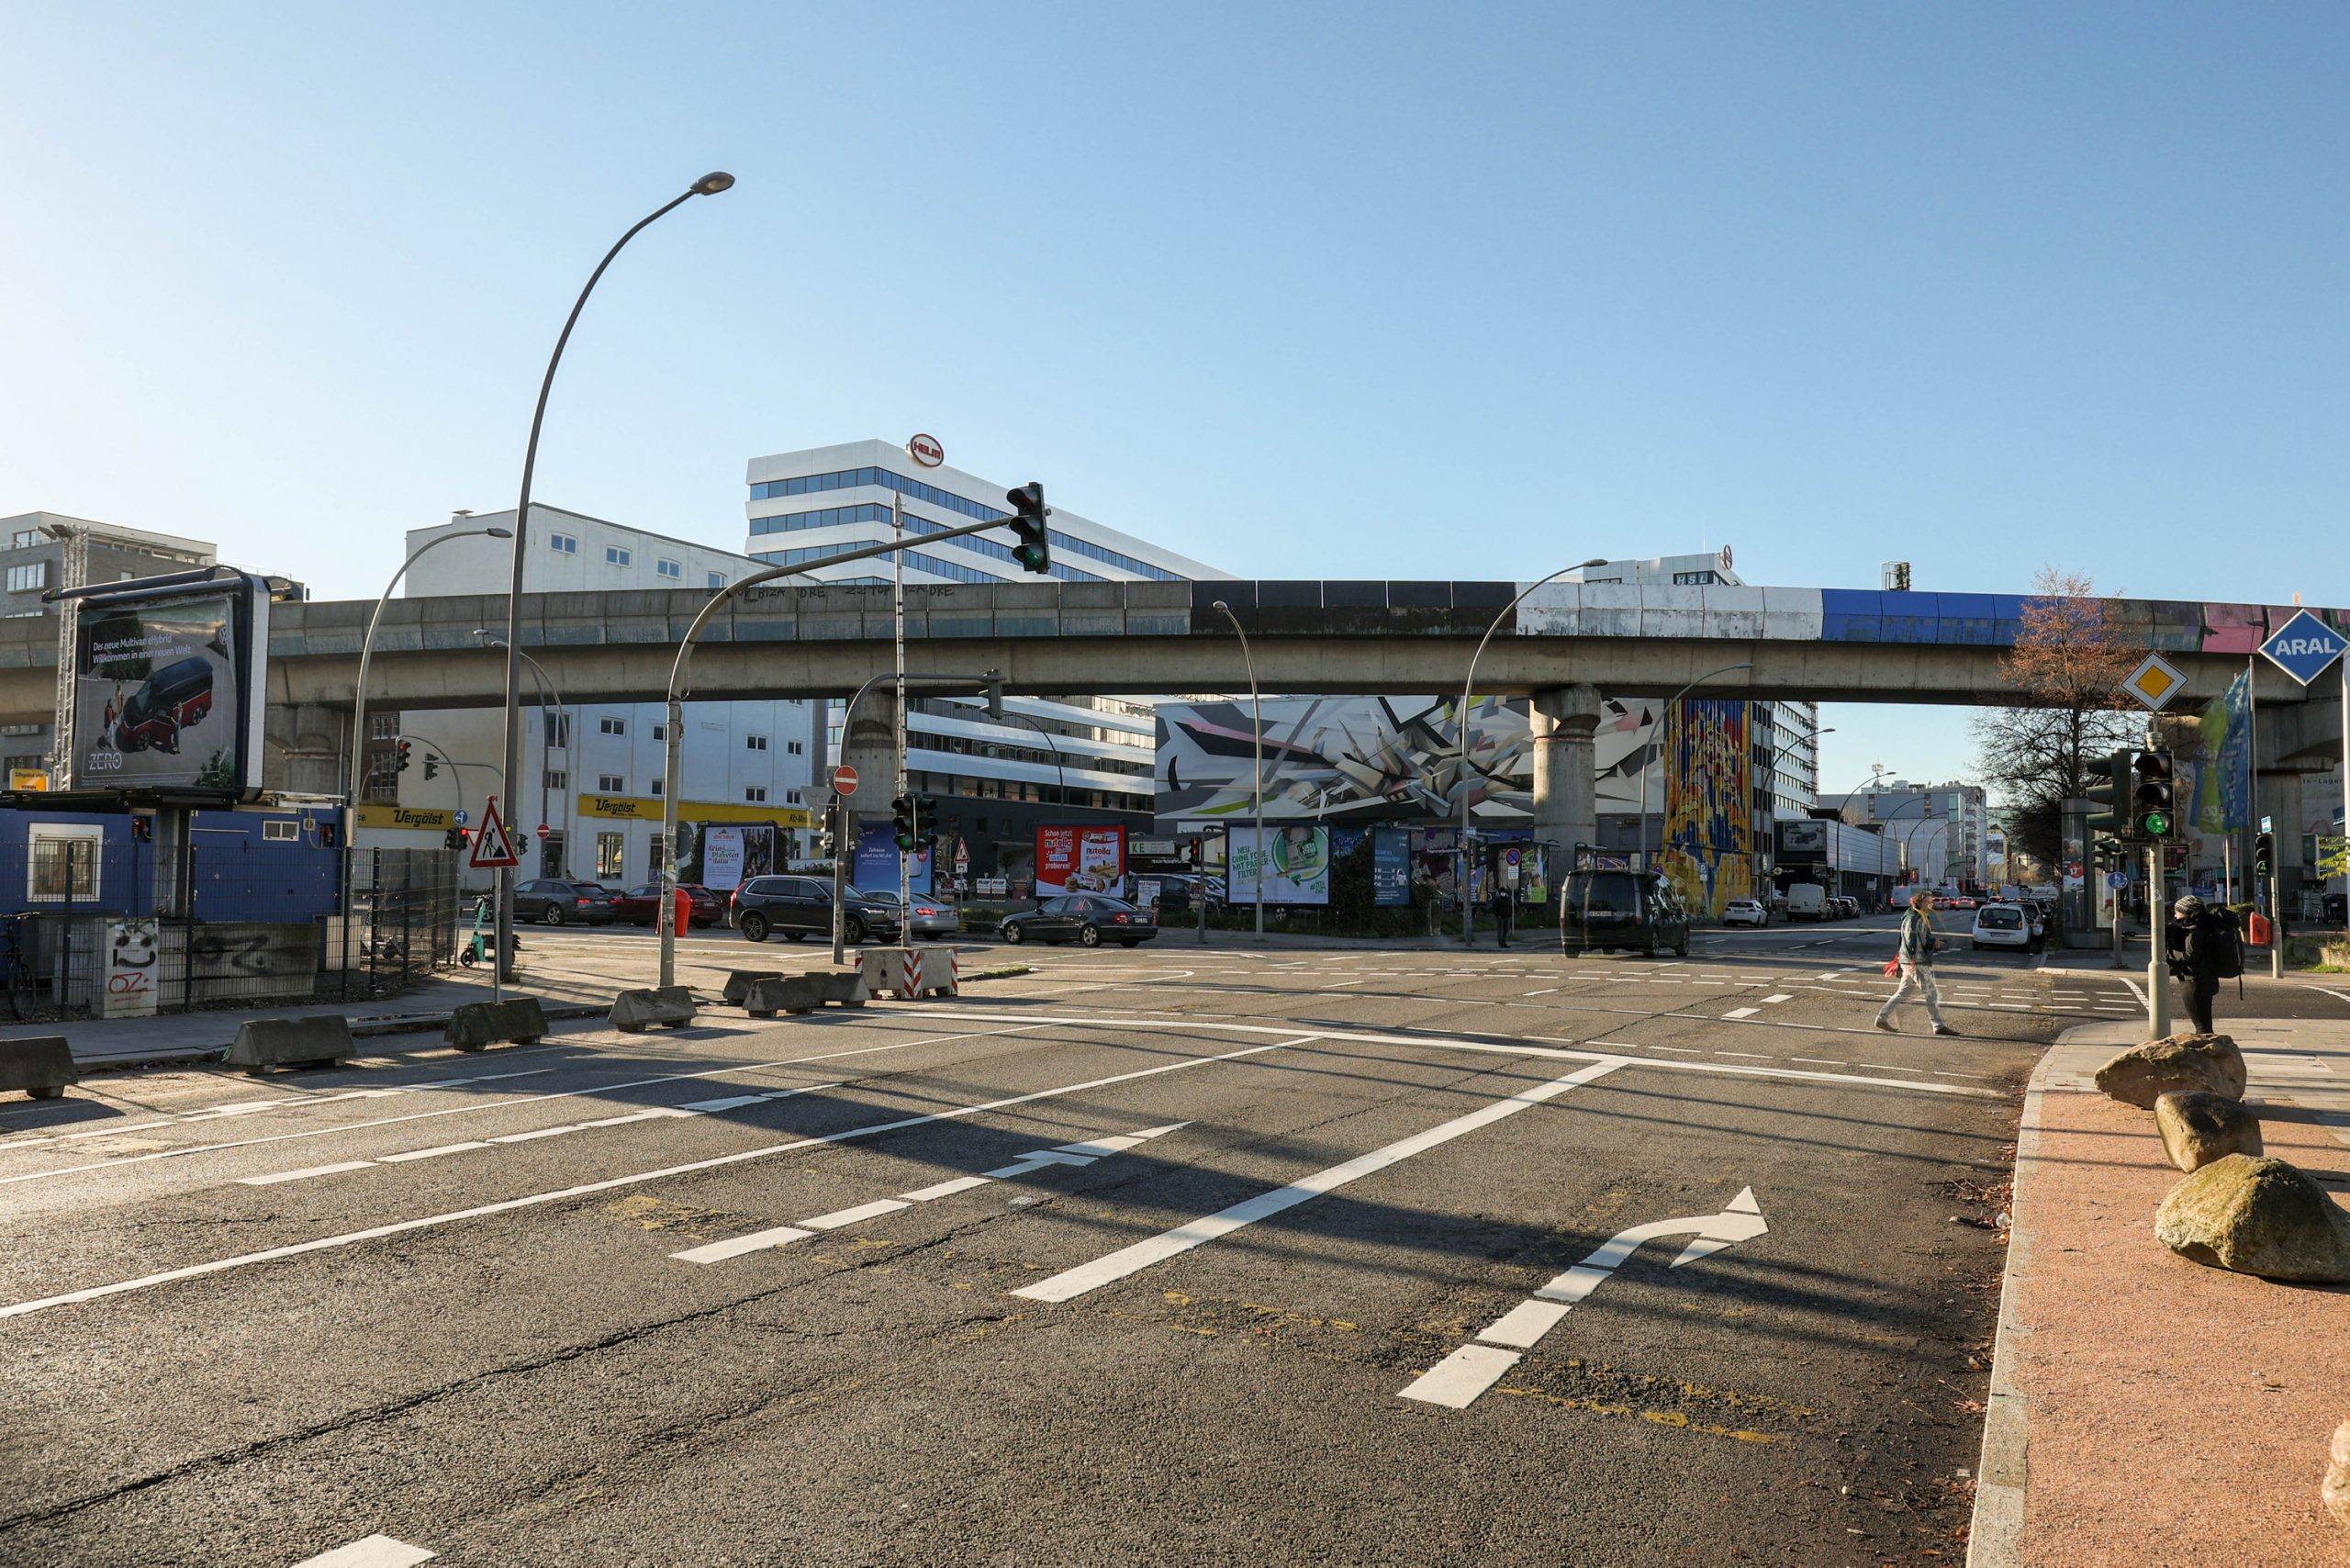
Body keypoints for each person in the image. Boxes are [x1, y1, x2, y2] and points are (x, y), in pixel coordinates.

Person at [1876, 890, 1956, 1036]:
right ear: (1919, 903)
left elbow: (1921, 938)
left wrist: (1933, 942)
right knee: (1931, 993)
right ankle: (1938, 1026)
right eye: (1928, 902)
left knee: (1903, 992)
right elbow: (1910, 939)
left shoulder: (1920, 917)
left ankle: (1881, 1018)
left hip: (1912, 960)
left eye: (1931, 901)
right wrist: (1919, 953)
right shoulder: (1913, 918)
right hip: (1916, 961)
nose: (1931, 904)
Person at [2165, 894, 2224, 1034]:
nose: (2175, 915)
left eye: (2178, 911)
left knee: (2202, 1026)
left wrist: (2171, 956)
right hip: (2206, 978)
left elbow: (2191, 956)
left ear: (2188, 912)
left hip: (2195, 981)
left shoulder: (2195, 930)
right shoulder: (2207, 926)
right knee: (2204, 1023)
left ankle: (2208, 1052)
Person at [1490, 883, 1515, 948]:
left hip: (1507, 917)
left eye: (1503, 892)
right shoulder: (1497, 900)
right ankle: (1500, 943)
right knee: (1500, 931)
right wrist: (1498, 915)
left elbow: (1511, 907)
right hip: (1500, 917)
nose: (1503, 893)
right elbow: (1494, 909)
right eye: (1501, 892)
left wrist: (1510, 914)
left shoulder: (1508, 899)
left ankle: (1504, 943)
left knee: (1506, 931)